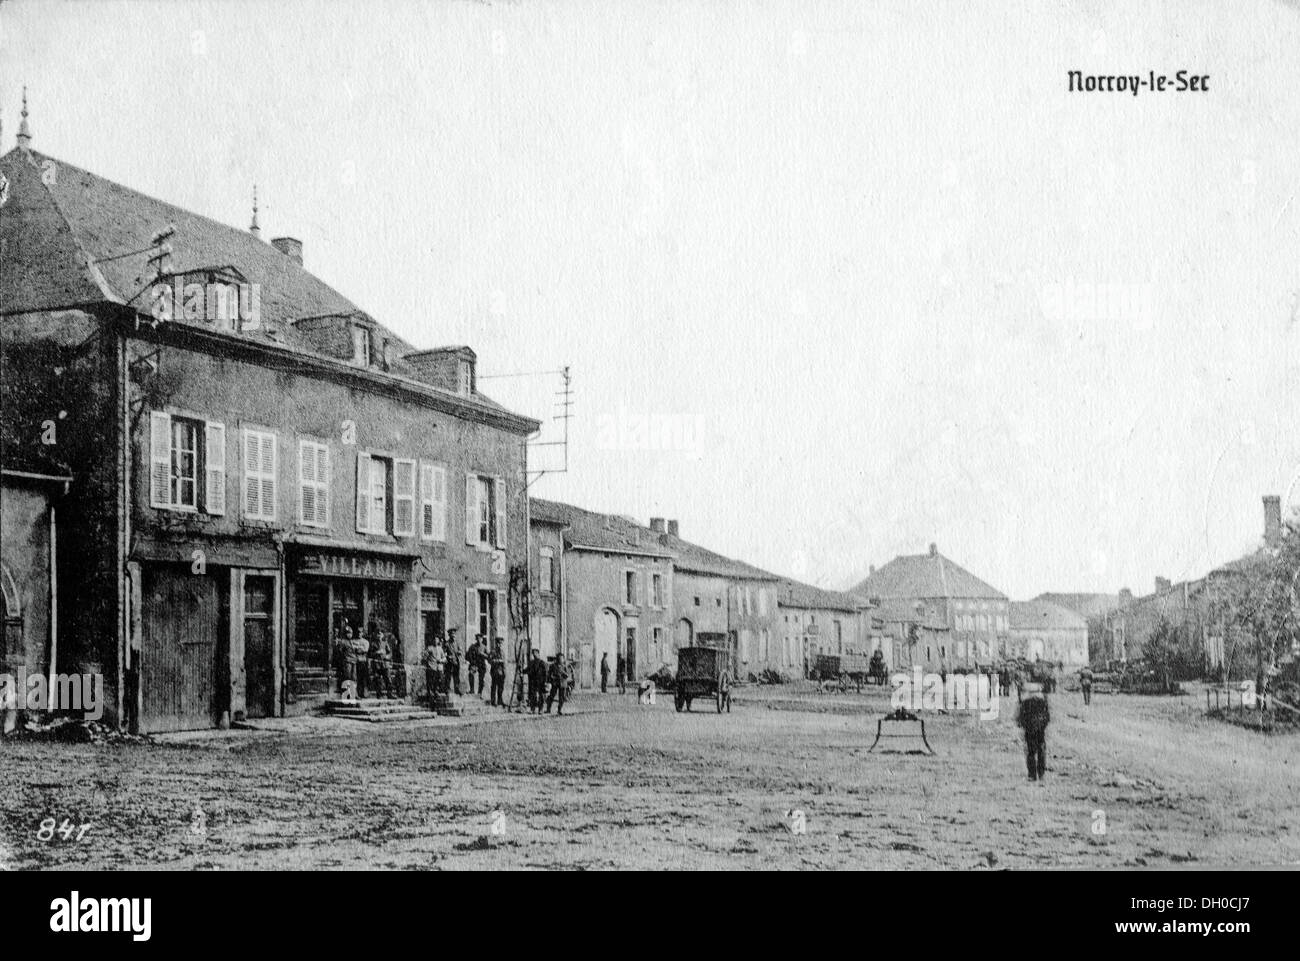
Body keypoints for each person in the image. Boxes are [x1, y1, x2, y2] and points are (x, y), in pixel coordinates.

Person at [1016, 685, 1050, 782]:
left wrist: (1024, 726)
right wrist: (1043, 725)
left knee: (1030, 752)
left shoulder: (1025, 703)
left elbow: (1020, 717)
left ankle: (1032, 775)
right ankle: (1041, 774)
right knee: (1041, 751)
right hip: (1040, 730)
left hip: (1029, 729)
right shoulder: (1043, 702)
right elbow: (1047, 717)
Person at [333, 624, 359, 700]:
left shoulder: (353, 642)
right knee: (347, 677)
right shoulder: (343, 642)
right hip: (347, 661)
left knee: (354, 678)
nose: (349, 635)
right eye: (348, 633)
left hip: (354, 661)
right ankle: (348, 694)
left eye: (350, 633)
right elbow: (340, 651)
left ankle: (354, 694)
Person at [368, 627, 393, 698]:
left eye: (380, 634)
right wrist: (377, 652)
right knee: (378, 679)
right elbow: (370, 654)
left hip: (385, 664)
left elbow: (390, 653)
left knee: (388, 678)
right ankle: (379, 694)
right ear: (376, 635)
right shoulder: (373, 644)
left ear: (382, 635)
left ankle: (390, 694)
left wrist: (387, 656)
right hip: (377, 664)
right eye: (378, 634)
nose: (379, 636)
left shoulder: (385, 643)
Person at [422, 636, 446, 707]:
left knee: (438, 682)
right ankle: (430, 696)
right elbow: (424, 655)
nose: (435, 641)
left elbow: (444, 658)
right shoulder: (430, 648)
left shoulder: (440, 649)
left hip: (438, 668)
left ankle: (436, 693)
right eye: (434, 640)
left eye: (437, 640)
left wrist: (441, 660)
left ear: (438, 641)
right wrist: (427, 661)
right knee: (430, 682)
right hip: (431, 668)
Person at [443, 629, 463, 696]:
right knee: (448, 676)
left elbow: (460, 650)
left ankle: (457, 689)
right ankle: (447, 689)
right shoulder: (447, 643)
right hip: (449, 662)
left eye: (454, 634)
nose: (453, 636)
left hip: (456, 662)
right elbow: (444, 653)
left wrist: (459, 652)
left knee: (456, 676)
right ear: (449, 635)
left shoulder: (457, 643)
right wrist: (448, 656)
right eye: (452, 634)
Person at [489, 637, 507, 707]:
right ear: (496, 644)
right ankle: (493, 701)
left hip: (501, 672)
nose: (499, 645)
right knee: (494, 686)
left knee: (501, 687)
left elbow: (504, 662)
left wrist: (505, 671)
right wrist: (497, 661)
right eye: (498, 643)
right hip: (495, 671)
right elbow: (489, 660)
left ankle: (500, 700)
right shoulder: (493, 651)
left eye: (501, 643)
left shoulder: (502, 652)